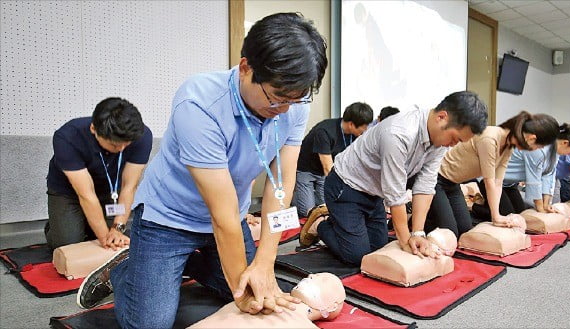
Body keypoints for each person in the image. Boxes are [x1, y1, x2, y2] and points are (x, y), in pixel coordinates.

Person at [77, 12, 328, 329]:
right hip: (167, 220)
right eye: (276, 98)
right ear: (245, 67)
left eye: (295, 99)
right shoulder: (199, 103)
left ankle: (190, 262)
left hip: (229, 220)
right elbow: (220, 213)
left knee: (266, 292)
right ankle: (127, 270)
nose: (284, 109)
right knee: (152, 323)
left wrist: (264, 263)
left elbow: (281, 183)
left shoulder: (293, 101)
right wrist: (244, 293)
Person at [300, 91, 488, 266]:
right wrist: (407, 242)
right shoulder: (399, 133)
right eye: (455, 138)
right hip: (346, 187)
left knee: (379, 249)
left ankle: (342, 224)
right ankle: (321, 224)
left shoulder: (440, 142)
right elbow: (395, 193)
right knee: (357, 256)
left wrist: (418, 233)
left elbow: (425, 186)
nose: (454, 145)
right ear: (442, 117)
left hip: (373, 192)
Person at [426, 111, 560, 238]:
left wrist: (498, 215)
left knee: (464, 230)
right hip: (437, 180)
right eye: (539, 146)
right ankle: (420, 217)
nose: (537, 150)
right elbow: (489, 181)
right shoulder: (490, 138)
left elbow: (498, 182)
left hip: (453, 185)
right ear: (531, 138)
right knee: (451, 232)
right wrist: (495, 216)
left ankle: (431, 212)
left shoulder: (509, 145)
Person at [45, 97, 152, 250]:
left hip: (110, 190)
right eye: (114, 144)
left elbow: (129, 186)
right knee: (68, 243)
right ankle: (56, 225)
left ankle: (86, 223)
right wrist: (104, 239)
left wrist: (118, 228)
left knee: (114, 234)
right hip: (68, 192)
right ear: (94, 129)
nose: (122, 149)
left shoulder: (141, 137)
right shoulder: (68, 137)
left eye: (126, 144)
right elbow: (86, 194)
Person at [471, 123, 570, 220]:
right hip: (491, 179)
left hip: (509, 184)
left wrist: (546, 204)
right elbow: (534, 180)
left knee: (520, 214)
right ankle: (472, 206)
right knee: (507, 215)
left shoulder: (555, 151)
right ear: (565, 143)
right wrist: (540, 208)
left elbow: (549, 175)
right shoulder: (540, 148)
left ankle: (485, 203)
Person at [292, 102, 373, 217]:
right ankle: (295, 197)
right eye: (363, 127)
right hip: (307, 170)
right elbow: (327, 167)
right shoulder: (325, 131)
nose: (365, 130)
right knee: (308, 212)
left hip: (325, 174)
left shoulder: (355, 135)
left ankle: (308, 196)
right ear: (351, 124)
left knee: (328, 208)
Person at [188, 272, 345, 328]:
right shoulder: (255, 298)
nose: (310, 276)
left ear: (332, 306)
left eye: (322, 279)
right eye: (313, 275)